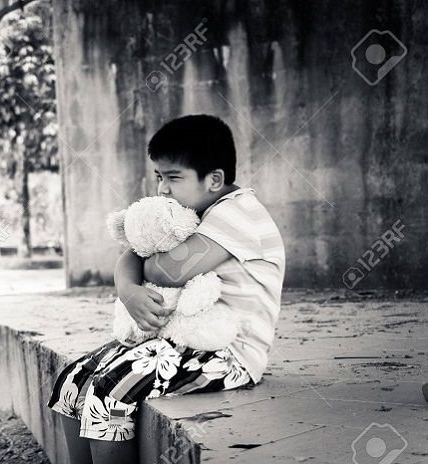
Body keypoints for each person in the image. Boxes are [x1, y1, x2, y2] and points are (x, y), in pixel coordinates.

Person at [46, 114, 286, 464]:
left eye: (174, 177)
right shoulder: (193, 212)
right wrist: (127, 290)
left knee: (108, 391)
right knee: (72, 380)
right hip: (183, 342)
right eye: (159, 176)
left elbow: (171, 270)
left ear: (214, 179)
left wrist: (135, 261)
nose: (162, 189)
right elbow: (137, 254)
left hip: (229, 355)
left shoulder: (238, 214)